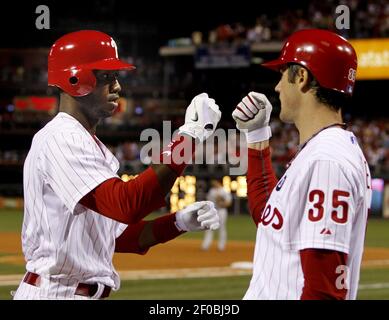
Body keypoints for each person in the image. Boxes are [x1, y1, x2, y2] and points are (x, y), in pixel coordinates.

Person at [14, 30, 222, 300]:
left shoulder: (84, 141)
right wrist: (189, 136)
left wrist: (178, 222)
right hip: (57, 293)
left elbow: (124, 238)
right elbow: (128, 205)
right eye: (106, 77)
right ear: (75, 78)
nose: (117, 87)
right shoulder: (61, 138)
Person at [232, 29, 371, 300]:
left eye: (284, 73)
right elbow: (267, 216)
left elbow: (324, 291)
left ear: (303, 78)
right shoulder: (322, 150)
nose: (277, 86)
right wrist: (257, 136)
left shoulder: (327, 160)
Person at [201, 179, 232, 251]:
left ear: (218, 182)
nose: (213, 183)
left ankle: (221, 246)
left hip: (221, 211)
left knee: (221, 228)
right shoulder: (212, 191)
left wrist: (222, 203)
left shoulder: (224, 191)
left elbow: (228, 202)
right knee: (209, 227)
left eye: (214, 181)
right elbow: (208, 201)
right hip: (212, 210)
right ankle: (205, 245)